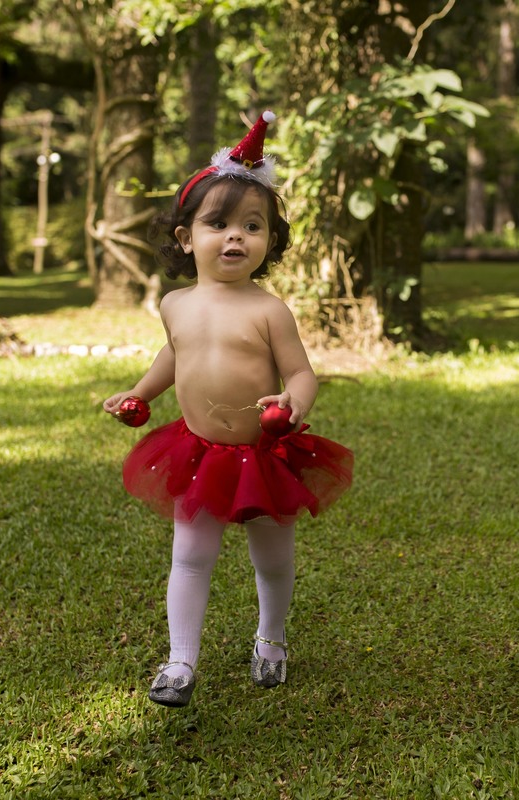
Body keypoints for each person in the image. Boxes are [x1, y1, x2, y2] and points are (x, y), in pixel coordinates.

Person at [102, 112, 353, 709]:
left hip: (264, 453)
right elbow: (174, 354)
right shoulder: (175, 304)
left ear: (269, 241)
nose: (236, 237)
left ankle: (271, 639)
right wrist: (140, 392)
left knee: (272, 557)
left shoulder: (268, 311)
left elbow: (300, 372)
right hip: (201, 453)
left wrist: (294, 403)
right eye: (219, 224)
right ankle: (180, 660)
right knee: (190, 557)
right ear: (187, 237)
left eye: (252, 226)